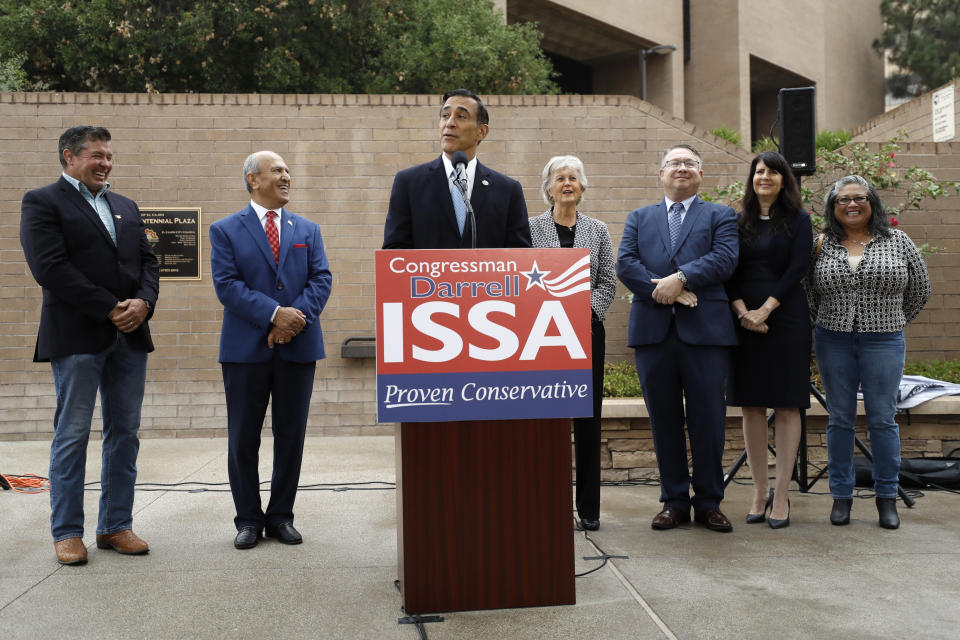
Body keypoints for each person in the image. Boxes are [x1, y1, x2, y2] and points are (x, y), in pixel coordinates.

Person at [20, 125, 159, 565]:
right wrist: (109, 307)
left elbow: (149, 263)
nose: (105, 163)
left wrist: (143, 302)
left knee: (125, 434)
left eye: (109, 156)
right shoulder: (42, 202)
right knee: (73, 433)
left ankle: (116, 526)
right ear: (69, 157)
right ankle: (67, 533)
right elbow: (50, 268)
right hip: (78, 335)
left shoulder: (125, 205)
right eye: (96, 155)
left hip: (130, 337)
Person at [210, 151, 332, 549]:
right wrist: (274, 315)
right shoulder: (226, 230)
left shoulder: (308, 230)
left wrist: (294, 320)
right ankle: (247, 519)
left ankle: (281, 517)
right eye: (277, 170)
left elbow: (321, 279)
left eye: (288, 170)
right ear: (252, 180)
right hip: (246, 351)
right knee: (243, 438)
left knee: (290, 435)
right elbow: (227, 286)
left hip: (298, 348)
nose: (286, 176)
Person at [617, 143, 739, 532]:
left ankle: (708, 502)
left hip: (705, 333)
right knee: (664, 420)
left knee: (709, 419)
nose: (681, 168)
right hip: (654, 333)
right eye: (674, 163)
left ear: (701, 175)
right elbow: (625, 263)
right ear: (661, 174)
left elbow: (724, 258)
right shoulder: (639, 217)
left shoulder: (720, 215)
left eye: (689, 163)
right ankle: (673, 501)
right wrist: (663, 289)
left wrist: (681, 278)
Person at [807, 175, 930, 529]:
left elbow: (920, 289)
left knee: (882, 419)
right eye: (842, 200)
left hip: (885, 340)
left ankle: (886, 498)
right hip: (833, 340)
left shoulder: (898, 241)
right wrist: (828, 322)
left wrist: (890, 321)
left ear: (872, 202)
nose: (851, 204)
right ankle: (841, 497)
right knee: (840, 419)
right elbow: (809, 292)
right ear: (833, 208)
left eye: (859, 197)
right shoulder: (822, 244)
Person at [725, 151, 812, 529]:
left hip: (786, 319)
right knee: (752, 406)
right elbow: (727, 267)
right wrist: (744, 312)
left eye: (774, 172)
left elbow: (798, 268)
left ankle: (782, 494)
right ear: (752, 178)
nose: (765, 177)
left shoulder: (799, 220)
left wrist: (765, 311)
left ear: (784, 180)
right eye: (760, 171)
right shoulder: (736, 221)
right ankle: (759, 491)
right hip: (744, 320)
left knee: (789, 406)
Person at [529, 155, 616, 531]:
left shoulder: (597, 230)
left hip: (586, 331)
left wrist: (582, 310)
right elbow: (517, 277)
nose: (567, 183)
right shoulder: (530, 228)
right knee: (546, 421)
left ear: (583, 187)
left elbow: (609, 282)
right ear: (548, 187)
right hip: (540, 335)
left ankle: (590, 510)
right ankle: (546, 503)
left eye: (574, 178)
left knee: (587, 420)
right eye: (560, 178)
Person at [382, 88, 531, 249]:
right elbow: (394, 252)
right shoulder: (408, 183)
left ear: (481, 131)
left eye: (461, 116)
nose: (449, 123)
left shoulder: (508, 190)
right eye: (445, 116)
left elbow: (519, 256)